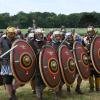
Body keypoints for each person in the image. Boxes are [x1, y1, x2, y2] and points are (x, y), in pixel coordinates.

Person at [0, 27, 18, 100]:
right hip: (6, 62)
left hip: (16, 62)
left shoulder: (17, 40)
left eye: (13, 33)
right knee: (7, 80)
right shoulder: (1, 40)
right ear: (7, 33)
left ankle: (13, 90)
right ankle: (11, 97)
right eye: (10, 33)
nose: (11, 35)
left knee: (20, 79)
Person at [28, 28, 46, 100]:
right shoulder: (31, 43)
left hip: (44, 63)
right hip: (35, 64)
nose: (40, 35)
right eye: (38, 34)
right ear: (35, 35)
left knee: (45, 79)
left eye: (41, 34)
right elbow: (28, 53)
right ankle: (39, 96)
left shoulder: (45, 42)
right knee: (37, 79)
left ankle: (40, 92)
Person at [85, 26, 100, 92]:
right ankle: (91, 87)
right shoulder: (85, 39)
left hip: (97, 59)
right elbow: (83, 48)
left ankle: (98, 88)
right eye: (89, 32)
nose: (90, 33)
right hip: (89, 59)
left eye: (91, 32)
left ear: (93, 32)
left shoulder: (97, 39)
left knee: (97, 73)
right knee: (90, 74)